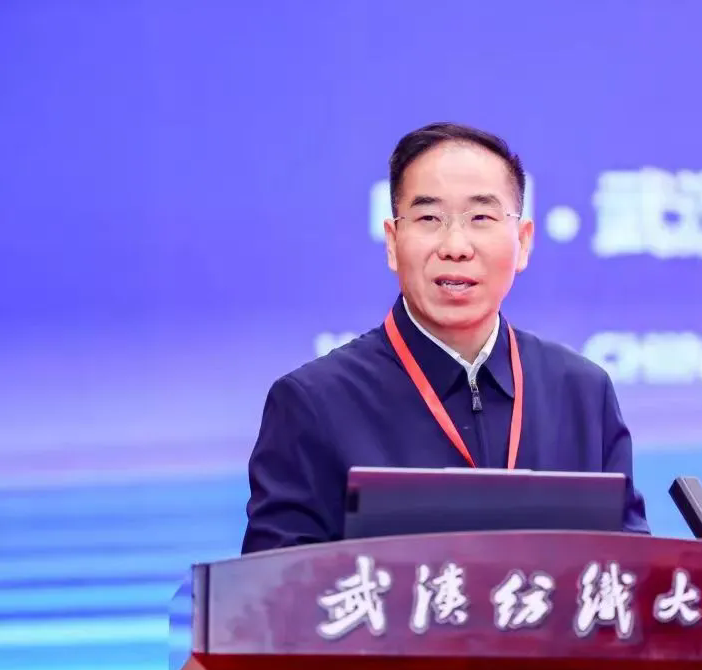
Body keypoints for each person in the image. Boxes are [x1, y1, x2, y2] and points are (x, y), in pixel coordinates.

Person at [241, 122, 649, 554]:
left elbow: (631, 571)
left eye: (481, 218)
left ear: (523, 242)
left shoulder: (583, 394)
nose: (455, 246)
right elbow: (275, 587)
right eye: (429, 218)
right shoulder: (313, 403)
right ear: (393, 243)